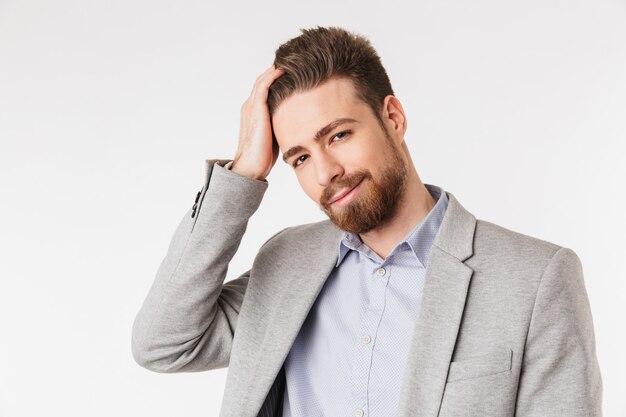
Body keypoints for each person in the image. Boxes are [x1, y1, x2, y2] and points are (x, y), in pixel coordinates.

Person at [131, 26, 602, 417]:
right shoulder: (285, 263)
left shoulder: (535, 278)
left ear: (393, 117)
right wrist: (243, 174)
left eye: (338, 134)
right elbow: (163, 344)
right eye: (298, 157)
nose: (325, 171)